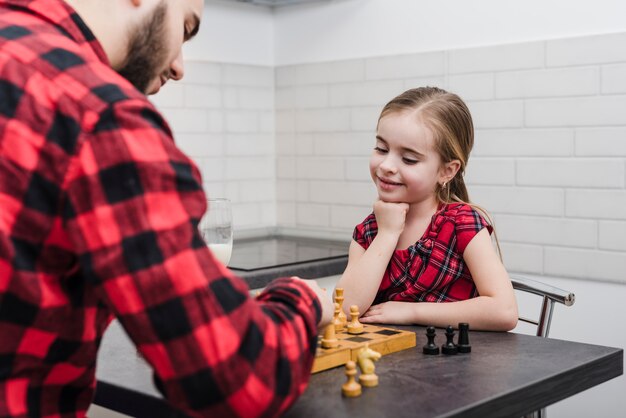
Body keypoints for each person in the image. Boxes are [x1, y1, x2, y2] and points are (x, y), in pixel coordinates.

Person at [0, 0, 333, 417]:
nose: (179, 67)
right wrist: (303, 299)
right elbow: (237, 380)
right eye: (186, 27)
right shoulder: (100, 113)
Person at [336, 87, 518, 331]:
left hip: (453, 363)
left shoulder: (461, 223)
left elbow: (504, 312)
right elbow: (345, 310)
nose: (387, 165)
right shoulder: (370, 230)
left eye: (409, 159)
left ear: (446, 171)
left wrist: (411, 311)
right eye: (381, 148)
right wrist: (387, 234)